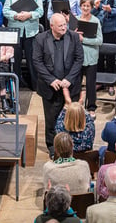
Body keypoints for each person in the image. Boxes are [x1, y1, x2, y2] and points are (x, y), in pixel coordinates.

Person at [33, 13, 84, 155]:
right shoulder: (41, 39)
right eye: (60, 25)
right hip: (50, 87)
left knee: (72, 118)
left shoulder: (73, 37)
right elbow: (37, 61)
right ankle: (52, 148)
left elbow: (79, 59)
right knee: (51, 120)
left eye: (65, 24)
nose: (64, 27)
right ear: (52, 26)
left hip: (70, 86)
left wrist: (69, 79)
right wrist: (51, 80)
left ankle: (72, 146)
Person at [3, 0, 44, 89]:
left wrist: (29, 15)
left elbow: (40, 11)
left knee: (32, 60)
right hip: (15, 30)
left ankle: (35, 85)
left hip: (31, 31)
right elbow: (5, 11)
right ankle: (15, 85)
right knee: (15, 59)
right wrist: (15, 16)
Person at [76, 0, 103, 115]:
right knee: (76, 83)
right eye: (83, 6)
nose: (85, 8)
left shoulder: (95, 21)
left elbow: (99, 41)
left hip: (91, 57)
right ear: (80, 6)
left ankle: (91, 108)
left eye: (88, 6)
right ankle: (75, 106)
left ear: (92, 7)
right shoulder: (76, 20)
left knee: (91, 84)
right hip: (77, 57)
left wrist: (83, 40)